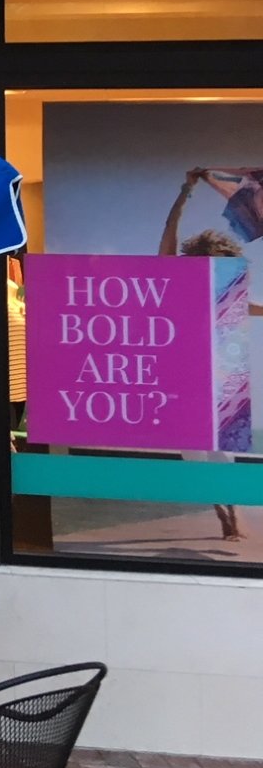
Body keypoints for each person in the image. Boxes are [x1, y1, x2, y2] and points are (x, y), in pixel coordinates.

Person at [156, 169, 256, 541]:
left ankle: (233, 516)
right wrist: (185, 190)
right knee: (195, 457)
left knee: (223, 457)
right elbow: (170, 229)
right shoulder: (174, 283)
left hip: (221, 380)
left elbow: (250, 306)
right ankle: (223, 517)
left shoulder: (222, 295)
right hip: (181, 383)